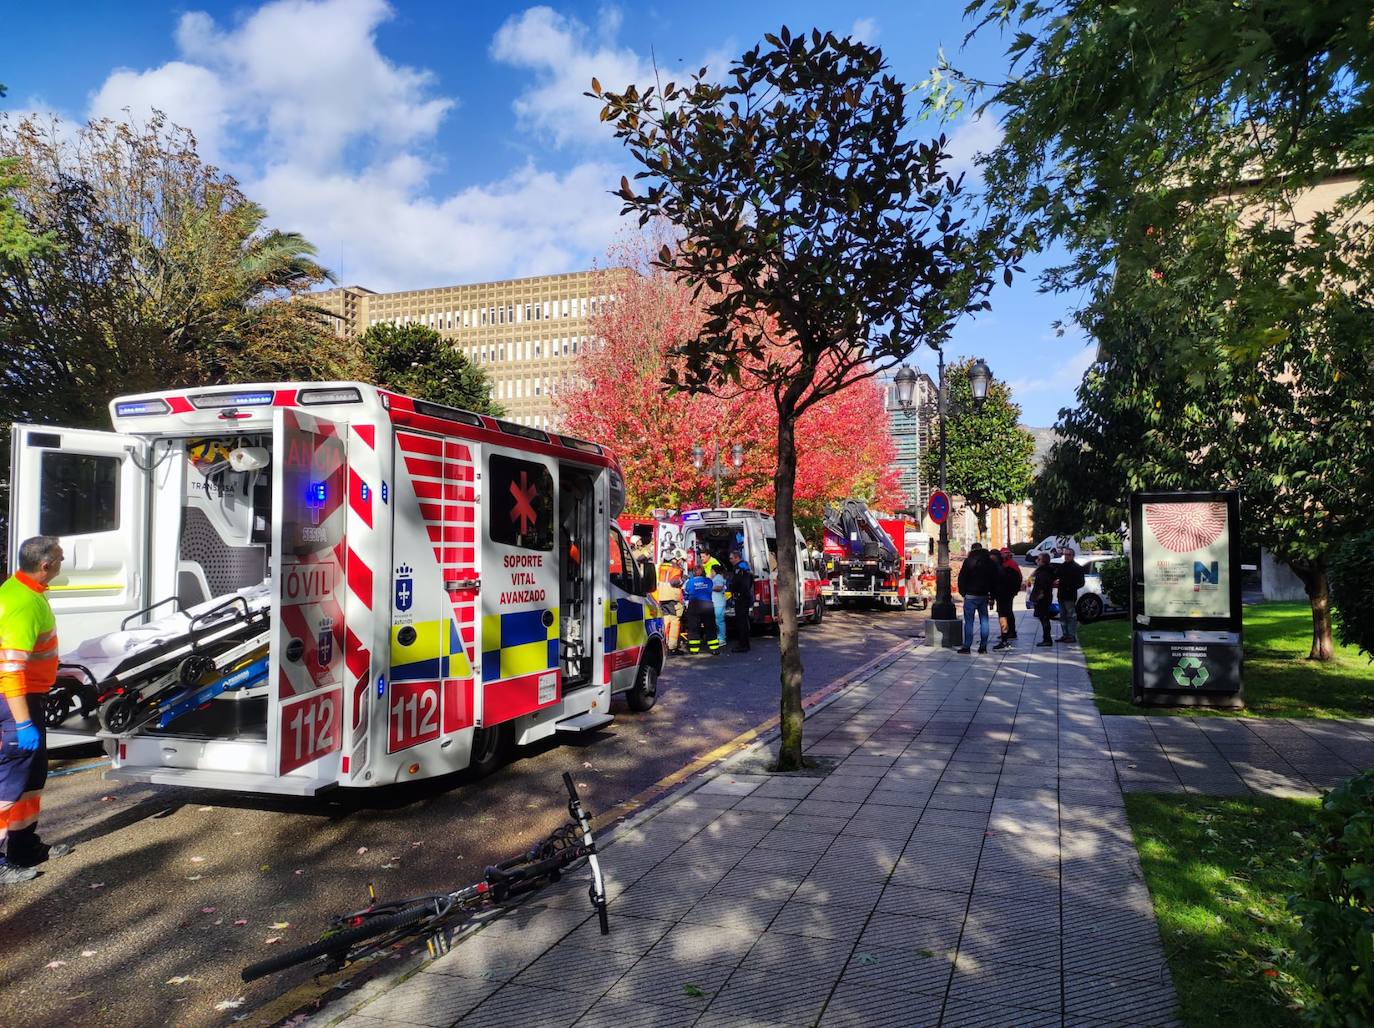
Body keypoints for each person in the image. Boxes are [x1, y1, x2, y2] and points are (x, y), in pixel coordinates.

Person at [1, 536, 72, 884]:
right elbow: (10, 670)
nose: (63, 562)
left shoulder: (25, 592)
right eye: (60, 558)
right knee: (8, 784)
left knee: (32, 777)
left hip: (30, 697)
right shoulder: (24, 603)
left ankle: (23, 845)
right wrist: (23, 722)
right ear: (45, 566)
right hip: (14, 702)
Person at [956, 543, 998, 654]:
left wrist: (963, 592)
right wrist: (992, 596)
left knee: (969, 622)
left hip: (970, 595)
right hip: (984, 595)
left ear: (972, 550)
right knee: (984, 621)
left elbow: (962, 578)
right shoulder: (989, 562)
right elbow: (994, 580)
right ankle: (983, 647)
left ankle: (967, 646)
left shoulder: (968, 561)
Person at [681, 565, 720, 654]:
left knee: (694, 627)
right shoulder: (708, 581)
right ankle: (714, 649)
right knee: (710, 627)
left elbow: (686, 592)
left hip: (694, 605)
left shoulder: (689, 582)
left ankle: (694, 650)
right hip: (707, 605)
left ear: (693, 573)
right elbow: (710, 589)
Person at [994, 547, 1024, 649]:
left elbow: (1017, 578)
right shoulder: (1010, 564)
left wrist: (1014, 591)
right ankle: (1009, 632)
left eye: (1005, 553)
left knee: (1006, 613)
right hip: (1008, 593)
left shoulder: (1009, 564)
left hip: (1006, 593)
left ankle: (1009, 632)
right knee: (1008, 612)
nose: (1003, 555)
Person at [1056, 547, 1087, 644]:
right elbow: (1057, 577)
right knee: (1062, 615)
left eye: (1069, 555)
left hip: (1070, 595)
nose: (1066, 556)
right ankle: (1065, 634)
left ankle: (1071, 635)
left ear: (1073, 556)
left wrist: (1070, 586)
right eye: (1065, 554)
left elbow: (1081, 583)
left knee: (1071, 615)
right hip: (1061, 594)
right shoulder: (1062, 566)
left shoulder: (1077, 568)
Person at [727, 550, 755, 652]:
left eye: (731, 558)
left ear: (736, 558)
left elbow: (737, 583)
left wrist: (732, 590)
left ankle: (743, 645)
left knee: (741, 622)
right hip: (745, 597)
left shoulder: (739, 569)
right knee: (743, 621)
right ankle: (745, 644)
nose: (730, 560)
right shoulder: (745, 567)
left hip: (741, 597)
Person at [657, 556, 685, 654]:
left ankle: (663, 644)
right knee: (675, 622)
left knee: (665, 620)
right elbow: (674, 582)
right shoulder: (675, 568)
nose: (682, 562)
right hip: (672, 598)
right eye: (682, 559)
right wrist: (683, 580)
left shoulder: (660, 567)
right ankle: (672, 647)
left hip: (661, 597)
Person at [1028, 552, 1057, 647]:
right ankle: (1046, 638)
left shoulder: (1044, 572)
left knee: (1044, 618)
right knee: (1043, 618)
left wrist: (1040, 595)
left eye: (1039, 559)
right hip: (1044, 597)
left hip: (1043, 599)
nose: (1037, 560)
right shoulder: (1043, 570)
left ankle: (1047, 639)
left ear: (1043, 561)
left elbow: (1044, 585)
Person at [703, 554, 728, 649]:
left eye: (711, 571)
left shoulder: (718, 577)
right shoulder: (716, 577)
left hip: (719, 603)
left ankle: (722, 639)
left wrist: (708, 587)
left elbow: (719, 587)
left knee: (719, 621)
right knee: (717, 621)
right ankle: (719, 637)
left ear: (714, 571)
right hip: (716, 603)